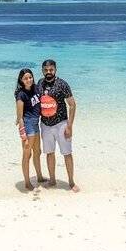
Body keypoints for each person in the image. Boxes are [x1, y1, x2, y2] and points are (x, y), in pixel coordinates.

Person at [37, 59, 79, 192]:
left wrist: (69, 126)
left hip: (61, 124)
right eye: (46, 70)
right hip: (45, 124)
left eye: (51, 70)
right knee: (49, 153)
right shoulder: (39, 83)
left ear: (55, 70)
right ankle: (52, 180)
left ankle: (71, 182)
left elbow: (72, 105)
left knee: (67, 153)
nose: (48, 72)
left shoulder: (62, 84)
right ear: (42, 70)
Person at [15, 68, 46, 190]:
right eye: (25, 78)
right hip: (27, 124)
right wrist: (23, 135)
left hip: (36, 123)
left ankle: (39, 177)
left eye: (30, 77)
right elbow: (19, 117)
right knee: (27, 154)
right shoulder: (21, 94)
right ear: (21, 80)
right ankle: (27, 182)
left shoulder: (36, 88)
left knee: (37, 151)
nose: (28, 80)